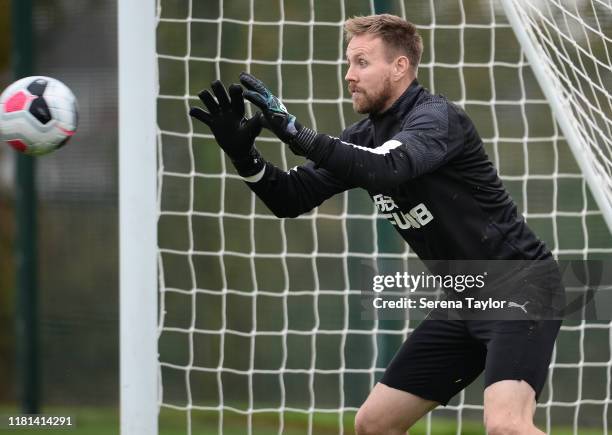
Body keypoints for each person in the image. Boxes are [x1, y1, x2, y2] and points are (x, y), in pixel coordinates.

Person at [189, 13, 563, 435]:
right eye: (348, 63)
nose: (349, 75)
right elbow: (291, 197)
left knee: (507, 427)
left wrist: (296, 132)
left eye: (362, 62)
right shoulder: (362, 136)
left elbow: (389, 167)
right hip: (466, 298)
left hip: (522, 286)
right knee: (373, 424)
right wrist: (244, 156)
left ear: (400, 67)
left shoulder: (437, 119)